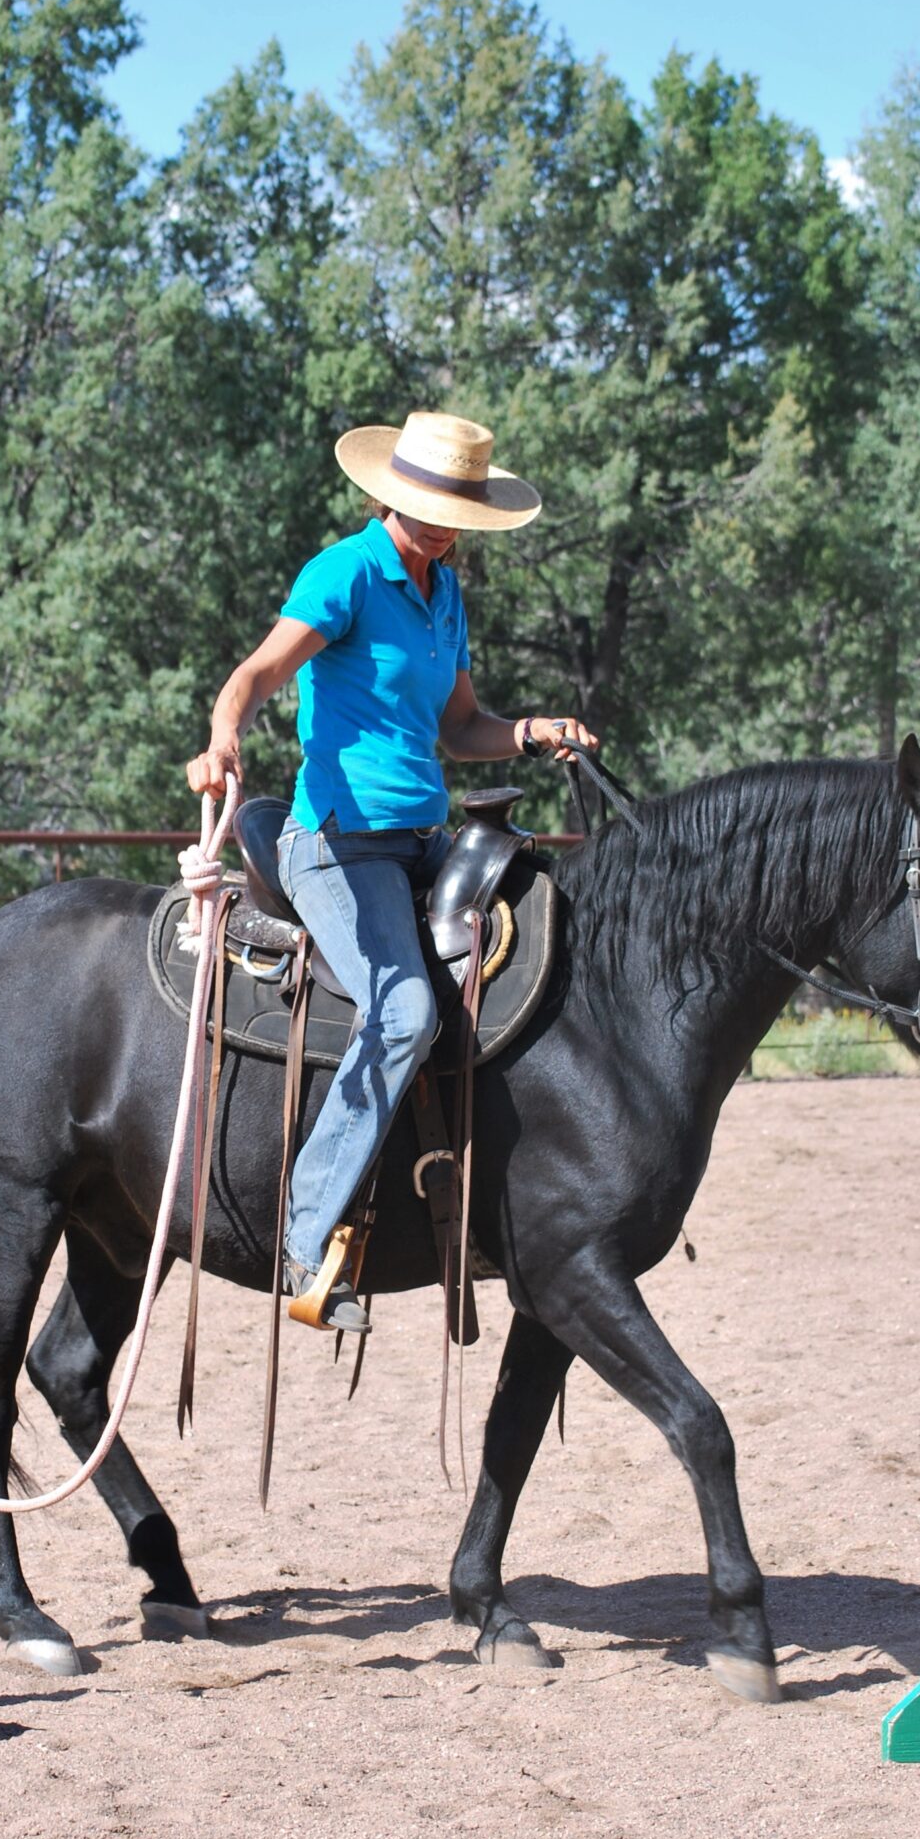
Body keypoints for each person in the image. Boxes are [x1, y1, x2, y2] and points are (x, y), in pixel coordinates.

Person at [187, 410, 598, 1334]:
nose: (447, 524)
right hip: (337, 842)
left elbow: (460, 728)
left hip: (420, 836)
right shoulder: (344, 574)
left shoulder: (444, 591)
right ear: (392, 496)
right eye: (435, 505)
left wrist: (532, 732)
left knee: (533, 945)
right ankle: (303, 1237)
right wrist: (223, 736)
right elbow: (255, 675)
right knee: (404, 1009)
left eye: (460, 509)